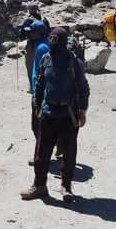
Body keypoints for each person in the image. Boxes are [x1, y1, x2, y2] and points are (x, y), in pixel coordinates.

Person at [21, 27, 90, 202]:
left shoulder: (73, 62)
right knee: (41, 153)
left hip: (68, 114)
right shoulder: (46, 59)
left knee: (69, 153)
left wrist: (82, 110)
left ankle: (66, 187)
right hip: (48, 113)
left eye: (55, 38)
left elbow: (83, 88)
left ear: (62, 41)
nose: (51, 41)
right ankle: (39, 186)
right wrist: (37, 105)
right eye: (50, 38)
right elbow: (39, 84)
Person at [26, 21, 51, 166]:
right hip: (39, 89)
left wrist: (37, 92)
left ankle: (40, 156)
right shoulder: (41, 43)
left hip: (39, 92)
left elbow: (41, 72)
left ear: (38, 33)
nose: (30, 33)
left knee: (37, 126)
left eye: (32, 31)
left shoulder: (42, 47)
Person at [19, 3, 51, 82]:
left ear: (30, 10)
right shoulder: (44, 19)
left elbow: (22, 33)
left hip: (33, 45)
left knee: (31, 65)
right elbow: (49, 30)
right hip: (46, 43)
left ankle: (33, 85)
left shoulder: (29, 20)